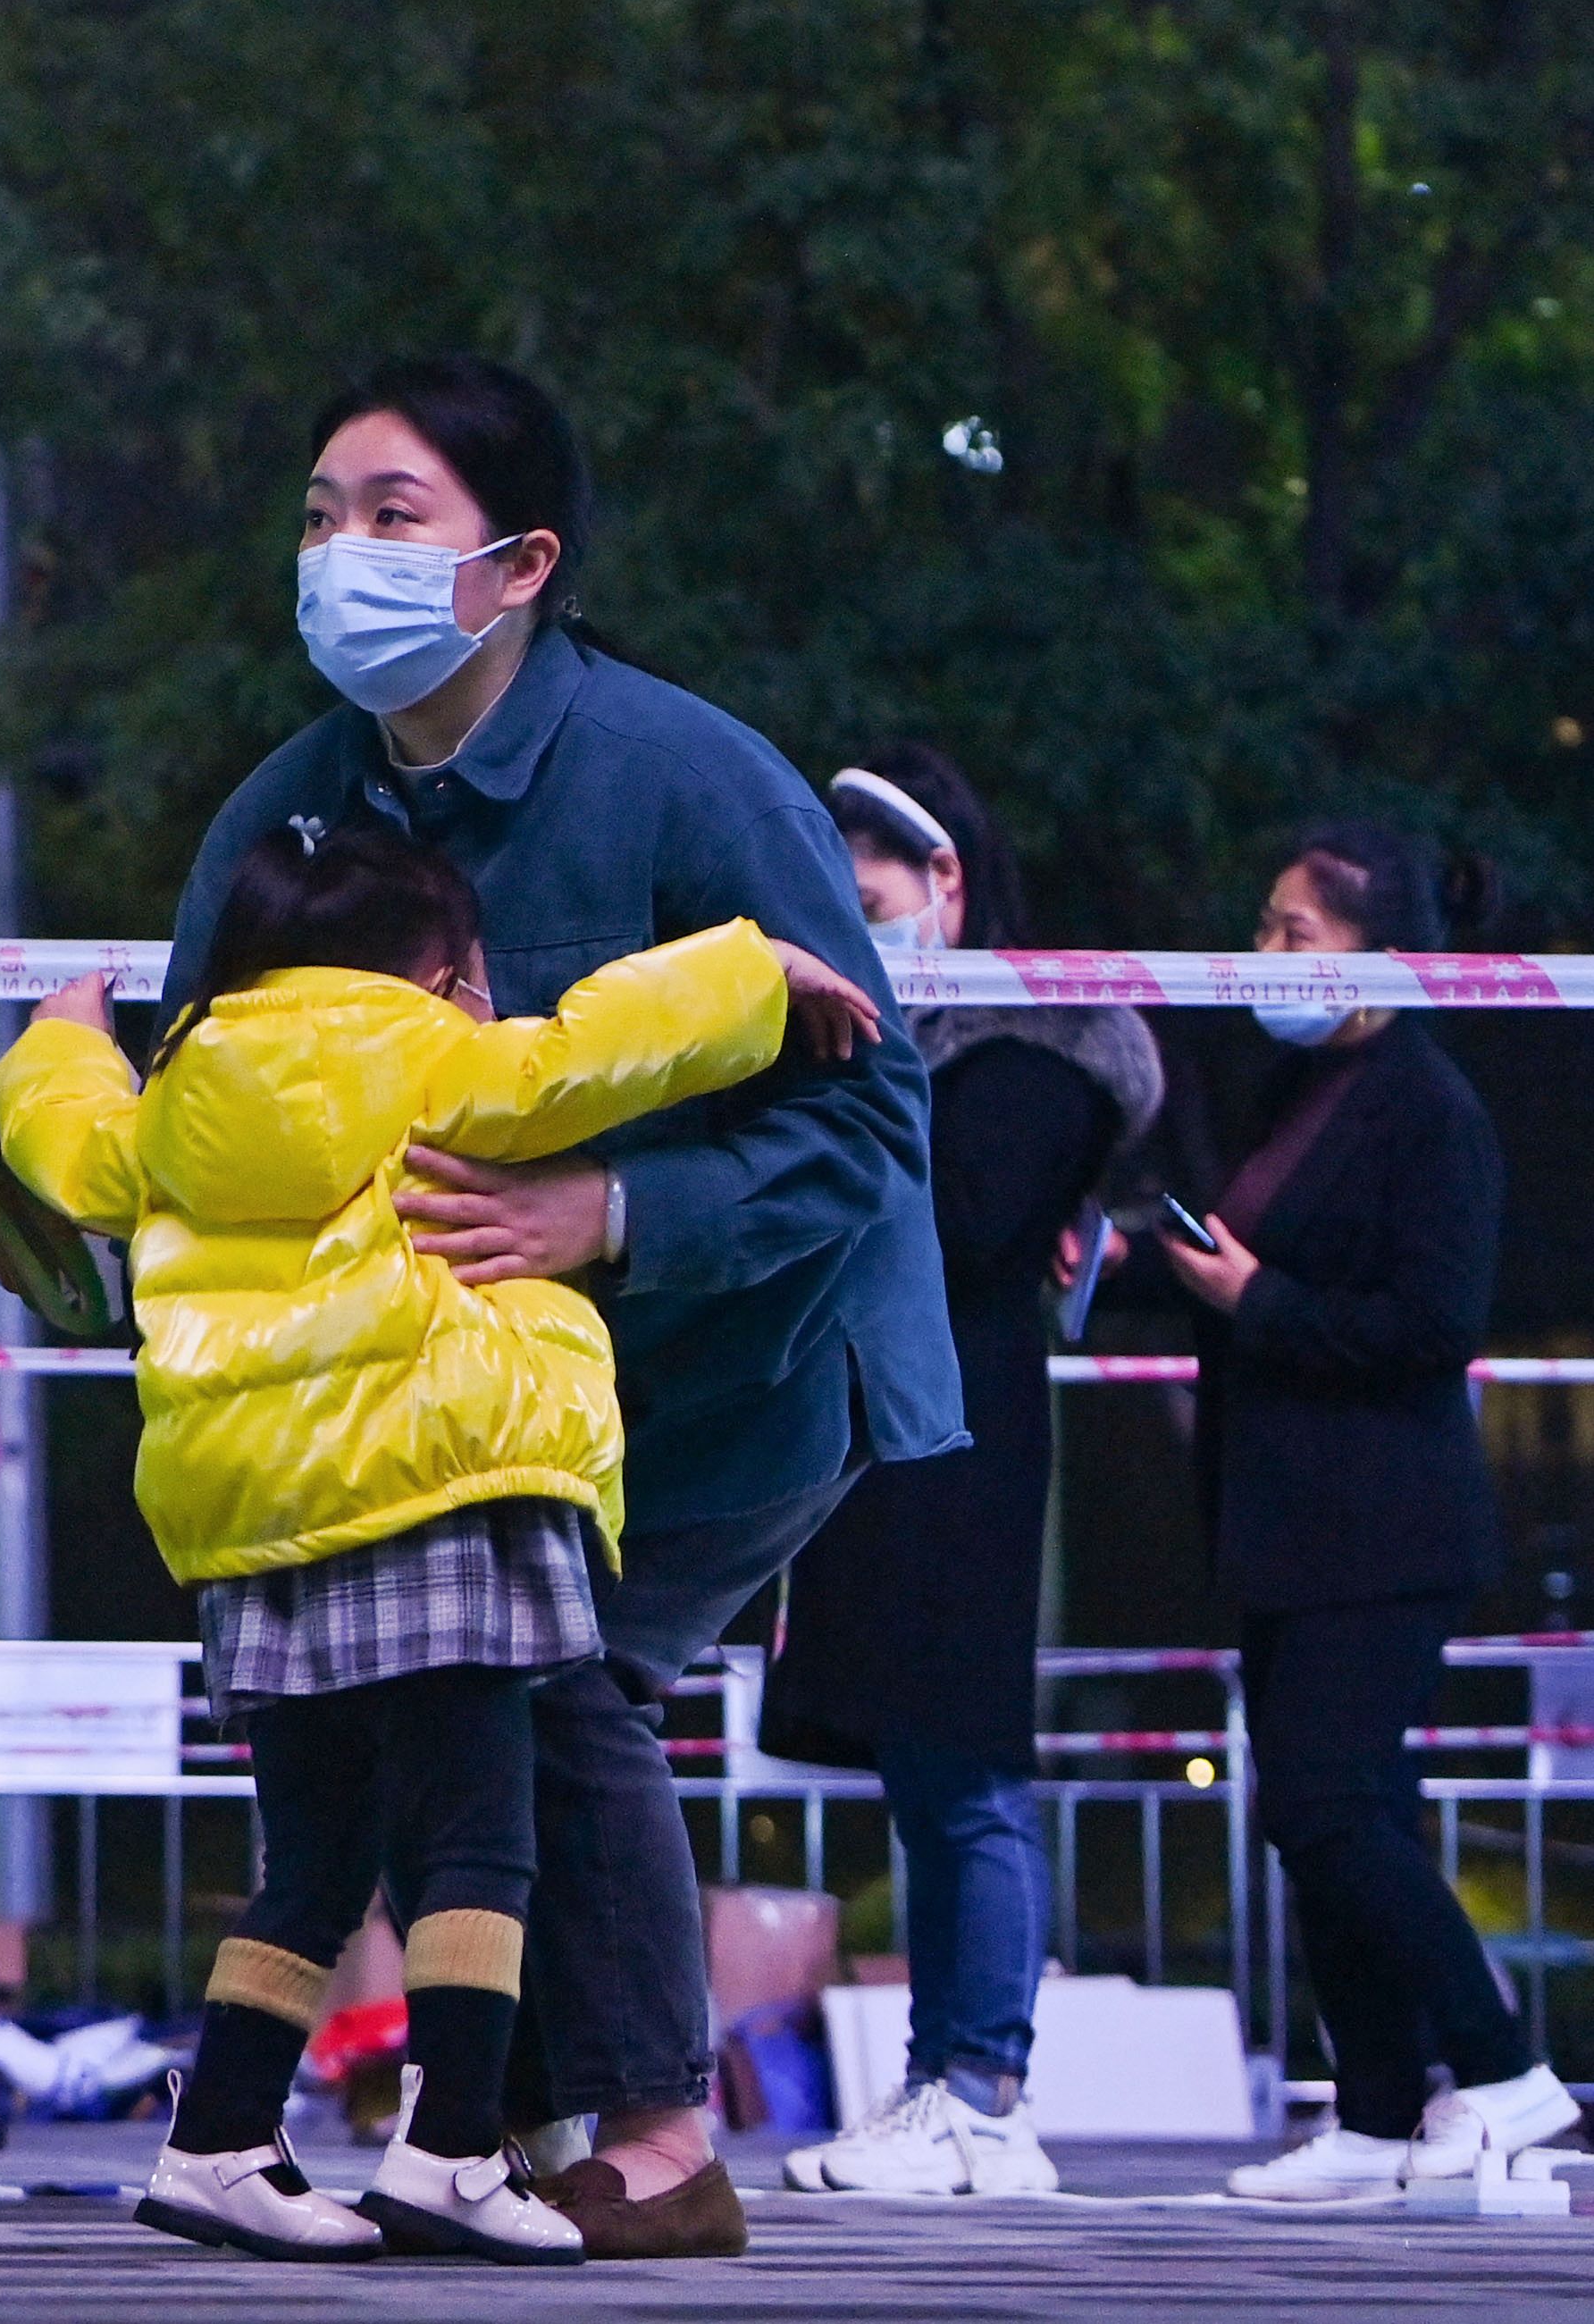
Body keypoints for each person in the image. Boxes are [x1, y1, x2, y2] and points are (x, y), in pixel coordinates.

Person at [158, 356, 957, 2257]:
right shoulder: (284, 812)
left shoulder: (690, 778)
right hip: (448, 1398)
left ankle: (660, 2140)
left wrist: (605, 1211)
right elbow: (196, 1099)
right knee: (428, 1704)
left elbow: (871, 1128)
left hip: (746, 1364)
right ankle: (490, 2130)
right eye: (318, 517)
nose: (338, 555)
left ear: (519, 565)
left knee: (551, 1666)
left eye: (392, 517)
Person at [6, 820, 877, 2264]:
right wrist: (753, 969)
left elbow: (67, 1143)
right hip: (439, 1485)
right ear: (431, 970)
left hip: (262, 1528)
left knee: (315, 1852)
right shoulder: (425, 1055)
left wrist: (56, 1039)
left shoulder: (174, 1103)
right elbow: (590, 1052)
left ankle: (217, 2140)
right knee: (480, 1838)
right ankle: (452, 2148)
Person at [1139, 826, 1573, 2201]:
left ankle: (1500, 2068)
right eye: (1261, 925)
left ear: (1376, 955)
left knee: (1327, 1801)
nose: (1261, 954)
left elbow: (1428, 1326)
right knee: (1318, 1809)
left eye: (1293, 932)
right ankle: (1376, 2111)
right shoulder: (1292, 1086)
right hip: (1280, 1517)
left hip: (1381, 1524)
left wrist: (1254, 1299)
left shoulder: (1428, 1109)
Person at [767, 748, 1163, 2196]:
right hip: (877, 1451)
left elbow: (961, 1221)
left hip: (962, 1454)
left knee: (970, 1774)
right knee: (928, 1779)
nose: (852, 935)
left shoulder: (1042, 1047)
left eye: (868, 904)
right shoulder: (890, 1049)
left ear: (945, 882)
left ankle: (982, 2089)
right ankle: (940, 2084)